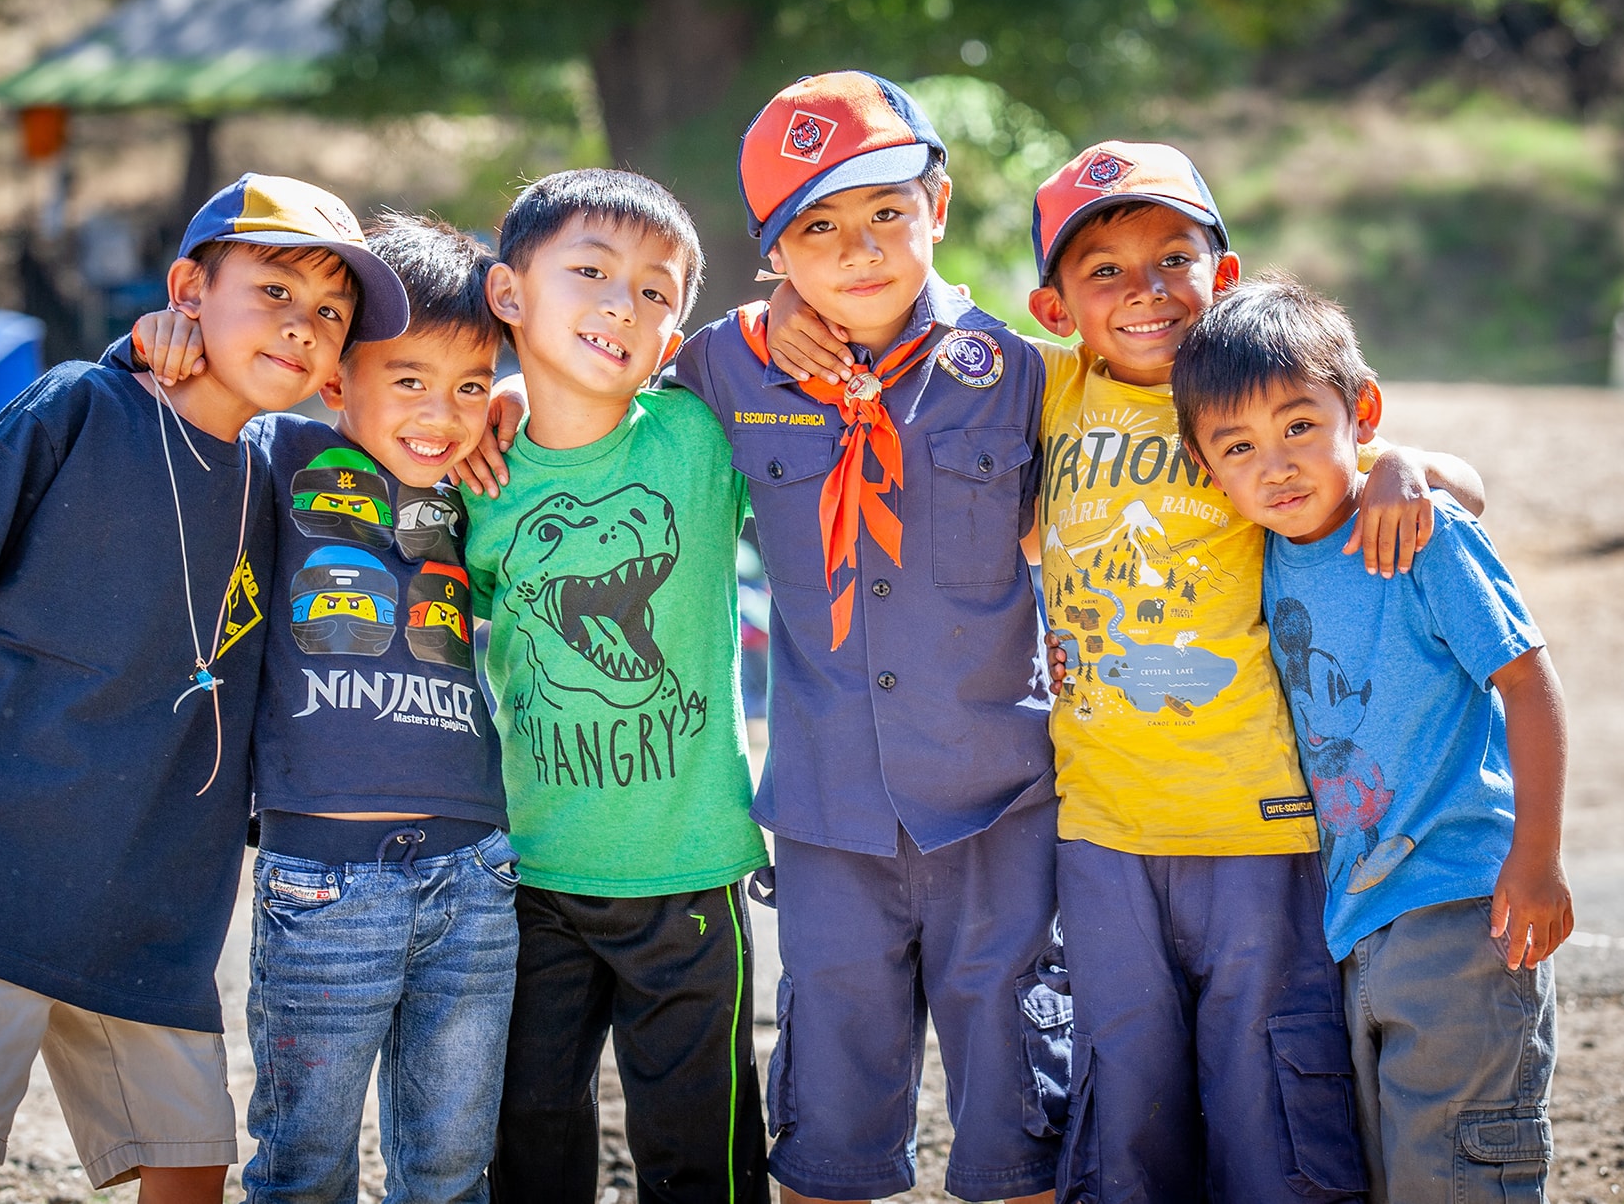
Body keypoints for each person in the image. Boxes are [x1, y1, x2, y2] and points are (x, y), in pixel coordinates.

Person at [765, 136, 1481, 1202]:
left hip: (1257, 821)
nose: (1145, 290)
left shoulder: (1249, 402)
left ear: (1219, 274)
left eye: (1173, 259)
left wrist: (1409, 466)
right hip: (1098, 825)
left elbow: (1437, 476)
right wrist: (786, 306)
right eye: (1104, 270)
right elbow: (909, 326)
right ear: (1053, 307)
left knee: (1268, 1093)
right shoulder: (1043, 386)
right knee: (1124, 1100)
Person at [0, 172, 409, 1204]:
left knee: (190, 1159)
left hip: (162, 901)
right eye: (275, 291)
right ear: (188, 289)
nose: (302, 325)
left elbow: (415, 425)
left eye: (330, 313)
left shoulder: (286, 477)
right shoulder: (82, 404)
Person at [673, 71, 1071, 1204]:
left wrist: (1394, 461)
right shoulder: (727, 368)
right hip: (828, 815)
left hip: (999, 807)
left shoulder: (1023, 375)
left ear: (936, 206)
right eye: (817, 228)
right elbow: (594, 385)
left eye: (886, 211)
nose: (858, 250)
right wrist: (510, 397)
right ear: (773, 257)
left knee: (1021, 1122)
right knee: (828, 1134)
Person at [123, 215, 521, 1203]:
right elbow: (182, 417)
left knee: (452, 1166)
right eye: (410, 380)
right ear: (336, 380)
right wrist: (161, 340)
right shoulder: (278, 449)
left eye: (469, 385)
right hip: (323, 880)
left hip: (476, 870)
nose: (441, 413)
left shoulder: (478, 484)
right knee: (303, 1162)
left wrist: (515, 401)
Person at [1170, 276, 1570, 1204]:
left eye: (1300, 426)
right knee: (1395, 1178)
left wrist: (1536, 859)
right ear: (1205, 463)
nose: (1276, 465)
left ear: (1362, 414)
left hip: (1465, 909)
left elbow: (1527, 682)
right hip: (1354, 925)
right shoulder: (1262, 556)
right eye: (1240, 446)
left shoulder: (1419, 532)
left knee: (1464, 1174)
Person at [466, 168, 771, 1204]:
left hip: (688, 870)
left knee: (702, 1151)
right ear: (508, 292)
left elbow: (794, 350)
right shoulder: (475, 471)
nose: (622, 305)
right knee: (529, 1137)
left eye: (654, 291)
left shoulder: (699, 437)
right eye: (590, 272)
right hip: (532, 872)